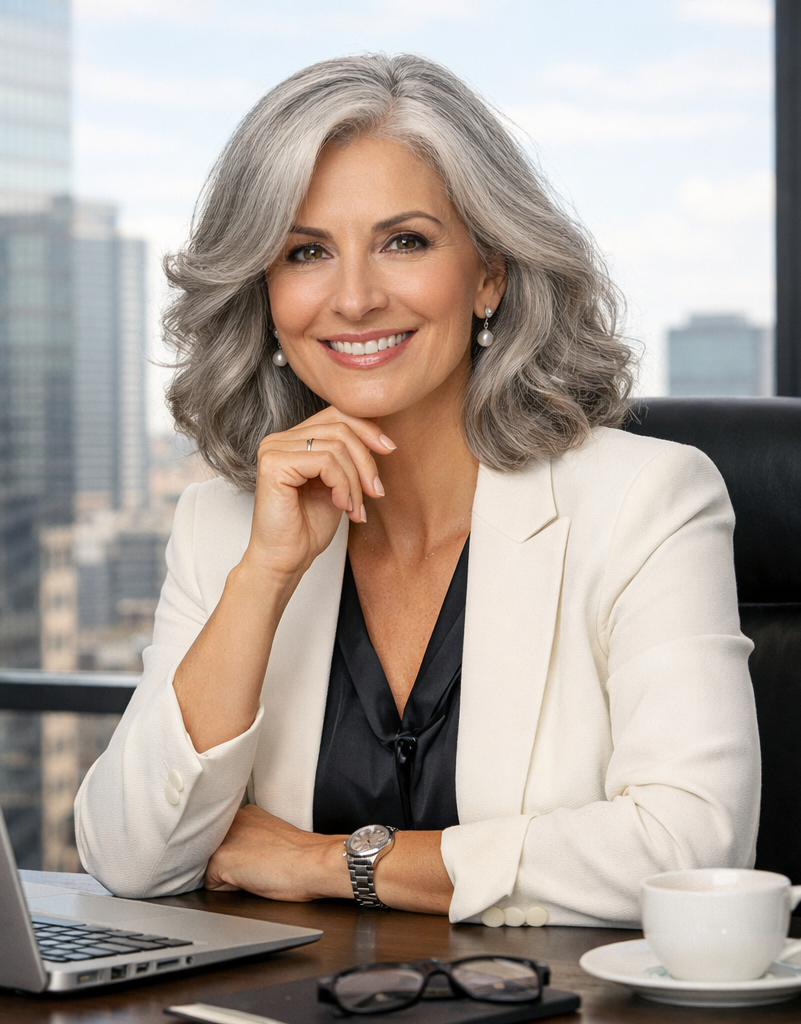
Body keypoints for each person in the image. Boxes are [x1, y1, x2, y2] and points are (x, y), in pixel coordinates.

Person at [74, 53, 760, 928]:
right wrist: (266, 575)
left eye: (405, 241)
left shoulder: (647, 501)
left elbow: (690, 848)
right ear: (266, 295)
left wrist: (332, 863)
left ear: (489, 275)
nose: (354, 298)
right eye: (306, 252)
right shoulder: (224, 523)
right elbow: (130, 857)